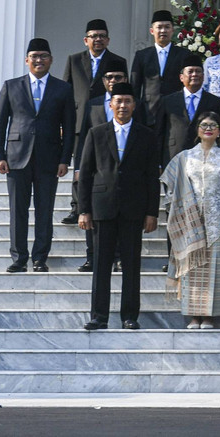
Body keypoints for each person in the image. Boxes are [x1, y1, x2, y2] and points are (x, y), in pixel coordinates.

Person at [78, 82, 160, 330]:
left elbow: (151, 177)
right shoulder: (97, 132)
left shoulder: (147, 135)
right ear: (110, 105)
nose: (123, 105)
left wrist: (151, 212)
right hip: (103, 206)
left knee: (132, 265)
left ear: (134, 105)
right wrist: (83, 209)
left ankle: (129, 316)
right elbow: (86, 174)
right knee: (101, 264)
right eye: (118, 101)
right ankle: (98, 316)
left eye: (127, 101)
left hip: (134, 209)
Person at [0, 37, 76, 273]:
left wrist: (64, 159)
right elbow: (0, 123)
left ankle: (40, 258)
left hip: (49, 158)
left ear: (51, 60)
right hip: (17, 158)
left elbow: (69, 127)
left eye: (44, 56)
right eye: (34, 56)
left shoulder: (63, 88)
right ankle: (19, 258)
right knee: (17, 211)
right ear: (27, 60)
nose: (39, 60)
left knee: (44, 210)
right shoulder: (11, 86)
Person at [160, 112, 220, 328]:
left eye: (213, 125)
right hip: (190, 221)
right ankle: (194, 315)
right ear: (197, 130)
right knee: (192, 270)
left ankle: (210, 316)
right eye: (204, 125)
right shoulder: (185, 157)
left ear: (219, 132)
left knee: (215, 267)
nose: (208, 128)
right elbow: (170, 185)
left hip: (218, 219)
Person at [61, 18, 124, 223]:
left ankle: (104, 203)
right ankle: (76, 206)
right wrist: (63, 122)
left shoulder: (117, 61)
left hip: (105, 119)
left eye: (102, 36)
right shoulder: (74, 60)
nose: (98, 39)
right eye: (93, 36)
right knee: (80, 164)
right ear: (85, 40)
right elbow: (66, 91)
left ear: (108, 40)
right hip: (80, 121)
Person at [73, 58, 129, 270]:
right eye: (109, 77)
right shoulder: (92, 104)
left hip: (122, 171)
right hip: (96, 170)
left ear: (125, 78)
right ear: (103, 80)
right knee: (91, 215)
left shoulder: (133, 104)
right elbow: (83, 138)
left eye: (118, 77)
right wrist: (78, 166)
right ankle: (92, 256)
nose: (113, 81)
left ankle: (119, 257)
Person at [158, 52, 220, 164]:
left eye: (198, 71)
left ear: (203, 77)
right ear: (181, 77)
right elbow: (159, 132)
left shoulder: (215, 102)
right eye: (190, 71)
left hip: (205, 158)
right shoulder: (168, 101)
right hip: (173, 156)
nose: (194, 74)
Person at [130, 9, 191, 125]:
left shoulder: (184, 54)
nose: (163, 31)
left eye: (167, 27)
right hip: (148, 112)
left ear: (172, 30)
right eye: (159, 27)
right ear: (152, 31)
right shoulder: (142, 55)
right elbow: (135, 87)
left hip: (176, 111)